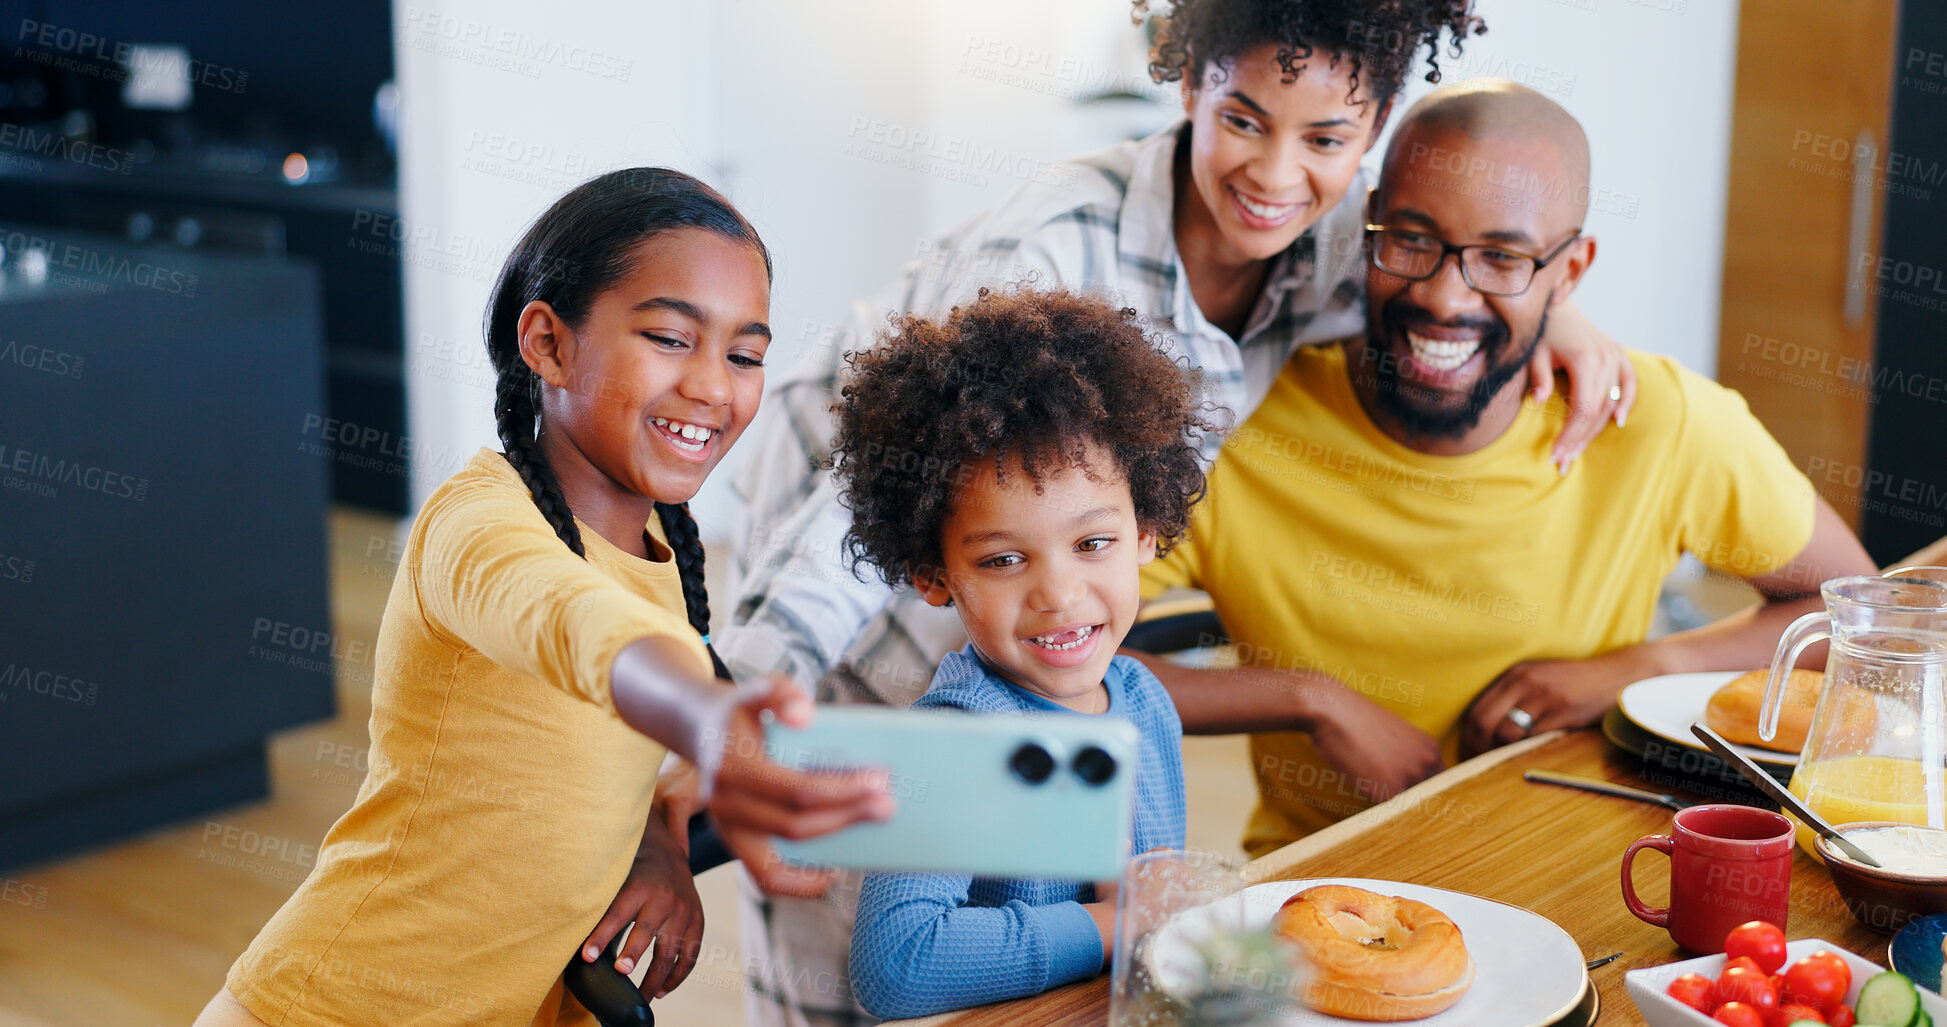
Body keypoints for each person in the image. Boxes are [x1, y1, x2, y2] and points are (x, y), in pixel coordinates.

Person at [719, 3, 1635, 1022]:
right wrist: (735, 708)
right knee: (847, 956)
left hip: (1045, 644)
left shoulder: (1341, 243)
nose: (1278, 173)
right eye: (1244, 118)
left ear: (1372, 129)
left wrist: (1563, 312)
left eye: (1327, 137)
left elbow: (1456, 275)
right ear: (1190, 81)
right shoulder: (1053, 245)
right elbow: (841, 536)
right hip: (877, 624)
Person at [192, 169, 891, 1027]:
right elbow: (576, 623)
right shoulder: (478, 522)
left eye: (744, 354)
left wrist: (657, 846)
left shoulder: (668, 556)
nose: (714, 385)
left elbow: (601, 750)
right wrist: (711, 722)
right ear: (549, 344)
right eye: (672, 338)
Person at [1136, 80, 1881, 858]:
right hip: (1320, 885)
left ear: (1569, 272)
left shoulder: (1658, 419)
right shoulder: (1240, 423)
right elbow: (1040, 653)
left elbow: (1861, 622)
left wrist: (1638, 667)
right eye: (1411, 240)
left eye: (1501, 257)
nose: (1443, 295)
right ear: (1364, 232)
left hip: (1587, 879)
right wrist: (1308, 700)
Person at [826, 288, 1205, 1019]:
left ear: (1147, 532)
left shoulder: (1144, 701)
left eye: (1093, 543)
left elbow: (1153, 896)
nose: (1059, 594)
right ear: (934, 575)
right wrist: (1108, 925)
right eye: (1003, 560)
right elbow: (896, 965)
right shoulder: (956, 742)